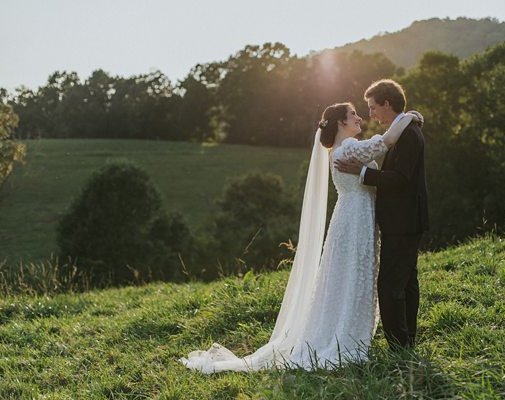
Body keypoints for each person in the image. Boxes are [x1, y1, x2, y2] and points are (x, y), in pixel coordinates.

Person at [179, 102, 422, 373]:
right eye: (353, 114)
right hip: (354, 218)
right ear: (341, 122)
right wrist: (409, 117)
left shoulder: (340, 149)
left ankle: (346, 327)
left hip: (354, 215)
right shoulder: (348, 148)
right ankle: (343, 334)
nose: (359, 117)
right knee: (352, 274)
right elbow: (386, 141)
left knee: (350, 275)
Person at [335, 79, 429, 349]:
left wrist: (362, 172)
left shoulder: (409, 133)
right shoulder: (405, 129)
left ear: (387, 104)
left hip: (404, 220)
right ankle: (407, 340)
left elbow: (401, 179)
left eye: (373, 107)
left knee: (389, 286)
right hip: (402, 219)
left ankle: (399, 345)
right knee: (406, 280)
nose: (371, 113)